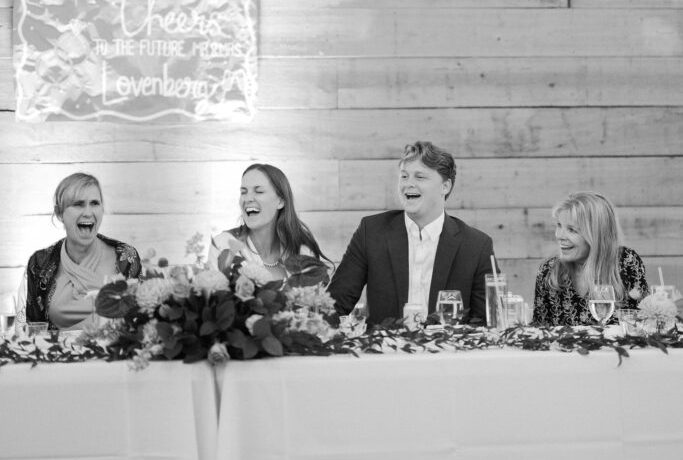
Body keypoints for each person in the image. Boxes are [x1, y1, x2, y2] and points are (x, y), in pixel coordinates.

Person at [328, 140, 495, 326]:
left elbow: (485, 323)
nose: (408, 184)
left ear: (445, 187)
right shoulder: (371, 231)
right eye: (404, 176)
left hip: (449, 352)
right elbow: (334, 305)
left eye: (420, 177)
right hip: (384, 351)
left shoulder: (476, 245)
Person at [17, 172, 142, 330]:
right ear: (59, 213)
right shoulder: (40, 262)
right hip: (57, 353)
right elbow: (31, 330)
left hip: (112, 353)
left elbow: (140, 323)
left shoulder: (126, 258)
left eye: (95, 203)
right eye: (78, 204)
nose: (88, 213)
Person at [533, 191, 648, 326]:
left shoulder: (626, 261)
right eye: (559, 225)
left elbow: (644, 322)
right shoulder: (549, 269)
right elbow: (539, 330)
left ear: (597, 234)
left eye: (572, 230)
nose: (559, 235)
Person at [208, 163, 331, 282]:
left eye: (259, 191)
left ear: (280, 201)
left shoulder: (302, 251)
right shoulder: (223, 245)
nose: (247, 198)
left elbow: (315, 299)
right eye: (244, 192)